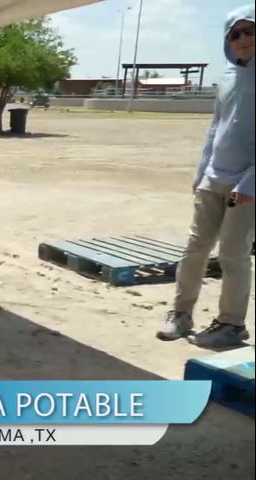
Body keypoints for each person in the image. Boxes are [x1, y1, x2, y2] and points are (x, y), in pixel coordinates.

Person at [158, 5, 255, 348]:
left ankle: (231, 324)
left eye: (250, 31)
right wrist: (201, 172)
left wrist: (250, 184)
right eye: (235, 33)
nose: (243, 39)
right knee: (195, 247)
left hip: (247, 184)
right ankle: (180, 314)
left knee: (233, 254)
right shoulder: (228, 77)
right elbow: (216, 128)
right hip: (213, 179)